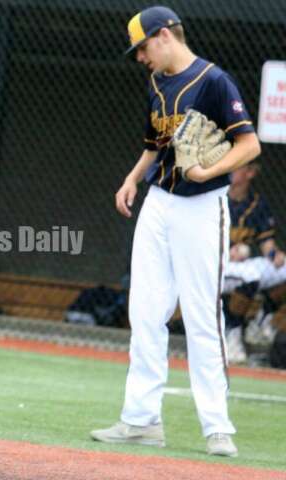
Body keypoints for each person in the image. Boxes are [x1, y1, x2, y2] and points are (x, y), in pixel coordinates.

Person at [90, 6, 260, 457]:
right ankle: (141, 420)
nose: (140, 57)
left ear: (164, 35)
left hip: (202, 207)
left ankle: (218, 427)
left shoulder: (214, 81)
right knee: (145, 310)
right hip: (159, 203)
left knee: (202, 315)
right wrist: (132, 178)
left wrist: (210, 172)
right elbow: (156, 144)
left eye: (143, 47)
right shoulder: (157, 84)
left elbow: (250, 143)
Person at [221, 161, 286, 363]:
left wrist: (275, 254)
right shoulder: (215, 199)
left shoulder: (257, 204)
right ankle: (233, 331)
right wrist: (224, 251)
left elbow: (266, 242)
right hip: (213, 265)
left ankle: (262, 319)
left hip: (240, 265)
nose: (230, 167)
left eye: (238, 166)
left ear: (250, 173)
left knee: (284, 269)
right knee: (251, 275)